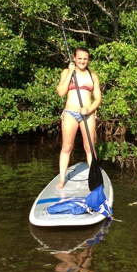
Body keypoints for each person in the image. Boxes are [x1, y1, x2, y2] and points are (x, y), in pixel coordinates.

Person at [55, 47, 101, 189]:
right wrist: (70, 72)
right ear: (74, 58)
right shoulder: (66, 72)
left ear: (88, 60)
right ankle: (62, 179)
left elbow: (98, 99)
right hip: (70, 114)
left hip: (87, 115)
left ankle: (95, 176)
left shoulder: (93, 76)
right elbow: (61, 92)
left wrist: (88, 109)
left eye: (85, 59)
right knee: (67, 147)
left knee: (89, 147)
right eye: (79, 58)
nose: (82, 61)